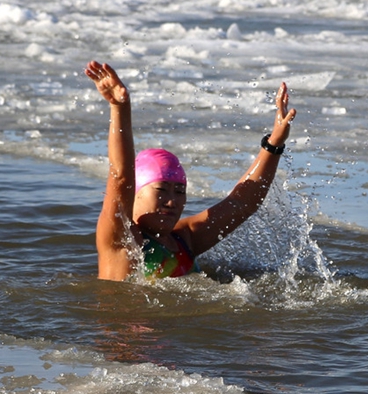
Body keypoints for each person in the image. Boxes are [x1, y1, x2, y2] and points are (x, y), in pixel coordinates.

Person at [85, 60, 296, 281]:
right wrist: (119, 108)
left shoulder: (184, 239)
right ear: (135, 192)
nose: (172, 201)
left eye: (179, 191)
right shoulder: (121, 239)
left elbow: (242, 204)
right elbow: (120, 176)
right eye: (162, 189)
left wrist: (274, 144)